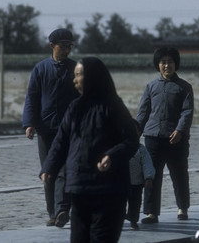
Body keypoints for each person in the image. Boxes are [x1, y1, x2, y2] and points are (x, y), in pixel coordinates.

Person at [40, 57, 138, 243]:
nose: (75, 80)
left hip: (109, 189)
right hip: (80, 188)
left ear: (93, 77)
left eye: (79, 75)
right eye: (74, 75)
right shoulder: (75, 107)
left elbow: (131, 141)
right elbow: (61, 141)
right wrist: (49, 167)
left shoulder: (113, 106)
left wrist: (112, 155)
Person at [22, 28, 79, 227]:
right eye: (62, 46)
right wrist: (29, 123)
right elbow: (32, 97)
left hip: (68, 129)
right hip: (45, 129)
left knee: (65, 169)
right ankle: (53, 212)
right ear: (51, 46)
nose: (66, 50)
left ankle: (63, 208)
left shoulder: (75, 69)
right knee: (48, 171)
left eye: (69, 46)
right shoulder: (40, 69)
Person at [136, 47, 194, 224]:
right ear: (158, 65)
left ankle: (182, 208)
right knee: (151, 175)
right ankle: (151, 213)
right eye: (163, 62)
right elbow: (143, 112)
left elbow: (187, 111)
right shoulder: (151, 86)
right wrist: (135, 132)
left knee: (179, 174)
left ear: (176, 64)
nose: (166, 65)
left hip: (176, 139)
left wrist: (180, 130)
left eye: (170, 62)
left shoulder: (184, 87)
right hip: (153, 138)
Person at [125, 127, 155, 230]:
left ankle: (133, 221)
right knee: (119, 203)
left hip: (136, 183)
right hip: (121, 183)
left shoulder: (141, 149)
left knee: (135, 204)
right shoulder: (119, 148)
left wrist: (148, 178)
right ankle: (119, 219)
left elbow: (147, 164)